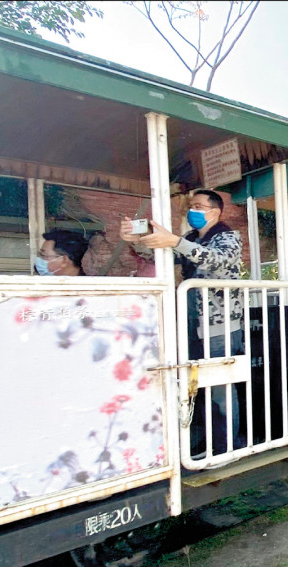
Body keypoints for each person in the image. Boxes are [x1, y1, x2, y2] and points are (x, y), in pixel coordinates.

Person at [120, 189, 244, 456]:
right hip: (192, 323)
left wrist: (174, 240)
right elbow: (161, 257)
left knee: (220, 388)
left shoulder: (229, 236)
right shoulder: (189, 239)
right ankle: (208, 440)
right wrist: (139, 240)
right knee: (196, 385)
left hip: (220, 327)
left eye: (199, 206)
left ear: (215, 211)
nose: (193, 210)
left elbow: (216, 260)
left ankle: (226, 446)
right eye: (191, 205)